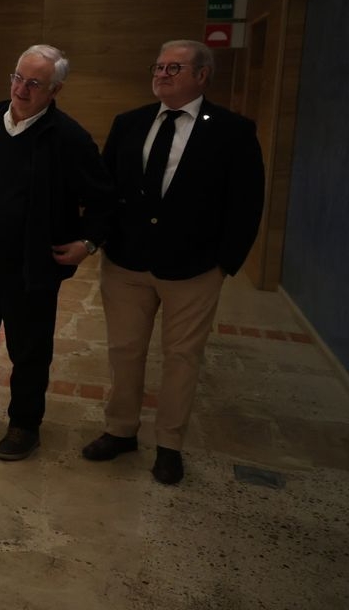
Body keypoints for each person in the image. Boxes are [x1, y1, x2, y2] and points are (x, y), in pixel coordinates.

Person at [81, 40, 264, 485]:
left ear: (202, 76)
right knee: (125, 352)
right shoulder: (130, 124)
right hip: (127, 263)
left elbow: (246, 203)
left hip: (194, 268)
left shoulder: (232, 131)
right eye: (158, 66)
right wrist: (93, 240)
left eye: (174, 68)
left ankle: (169, 444)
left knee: (182, 357)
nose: (161, 74)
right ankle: (121, 430)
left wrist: (224, 264)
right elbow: (106, 191)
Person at [0, 44, 114, 461]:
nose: (21, 89)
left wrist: (87, 243)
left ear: (55, 89)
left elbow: (104, 198)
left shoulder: (67, 137)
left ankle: (24, 424)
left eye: (34, 83)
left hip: (30, 267)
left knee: (29, 350)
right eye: (17, 78)